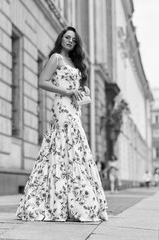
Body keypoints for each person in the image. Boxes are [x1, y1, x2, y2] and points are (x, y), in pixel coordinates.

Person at [16, 26, 108, 222]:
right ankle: (56, 201)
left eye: (73, 40)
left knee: (75, 148)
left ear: (76, 44)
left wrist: (84, 91)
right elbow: (42, 81)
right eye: (67, 37)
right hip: (62, 106)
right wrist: (66, 91)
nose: (70, 41)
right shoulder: (56, 58)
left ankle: (77, 201)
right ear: (61, 38)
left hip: (75, 108)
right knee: (63, 145)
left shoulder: (75, 62)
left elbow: (75, 87)